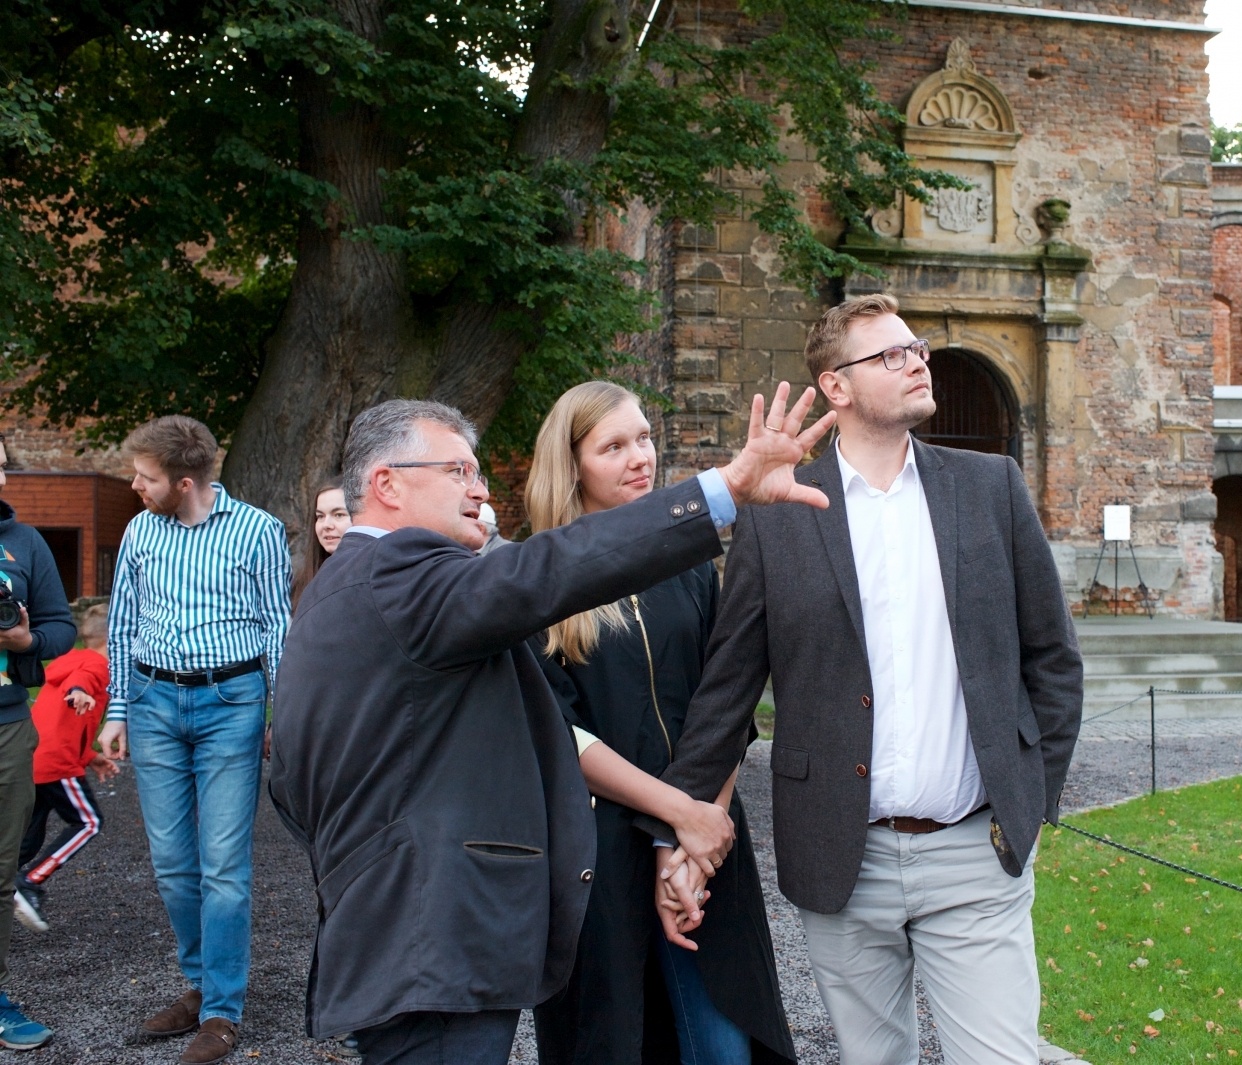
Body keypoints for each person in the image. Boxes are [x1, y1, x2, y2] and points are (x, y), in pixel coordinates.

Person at [269, 387, 832, 1065]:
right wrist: (727, 489)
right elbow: (544, 571)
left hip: (414, 938)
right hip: (433, 946)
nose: (477, 489)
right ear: (385, 484)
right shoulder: (399, 574)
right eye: (457, 472)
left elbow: (289, 781)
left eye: (476, 472)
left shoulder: (345, 587)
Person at [652, 294, 1085, 1065]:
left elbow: (1052, 661)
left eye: (916, 347)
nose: (918, 359)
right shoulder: (778, 513)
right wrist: (679, 830)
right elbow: (726, 690)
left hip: (971, 852)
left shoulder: (992, 489)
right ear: (838, 387)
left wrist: (1028, 797)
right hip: (840, 856)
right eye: (891, 353)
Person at [526, 382, 795, 1065]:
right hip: (601, 850)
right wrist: (678, 815)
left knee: (723, 1045)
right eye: (613, 445)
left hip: (705, 844)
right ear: (573, 463)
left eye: (644, 437)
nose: (639, 456)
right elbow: (561, 734)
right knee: (618, 1039)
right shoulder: (541, 581)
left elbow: (726, 701)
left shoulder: (689, 565)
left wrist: (698, 837)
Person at [97, 415, 293, 1065]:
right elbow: (122, 625)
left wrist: (277, 715)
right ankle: (201, 980)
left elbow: (278, 629)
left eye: (145, 477)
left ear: (183, 482)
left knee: (224, 868)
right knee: (175, 863)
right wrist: (117, 710)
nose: (135, 485)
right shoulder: (139, 531)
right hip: (152, 703)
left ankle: (221, 1011)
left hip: (230, 704)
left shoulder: (258, 532)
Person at [0, 431, 77, 1051]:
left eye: (1, 468)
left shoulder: (24, 544)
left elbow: (61, 627)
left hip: (4, 727)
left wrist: (28, 644)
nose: (0, 481)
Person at [15, 603, 120, 933]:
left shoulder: (71, 659)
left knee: (26, 842)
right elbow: (83, 680)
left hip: (32, 758)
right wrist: (79, 691)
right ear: (114, 639)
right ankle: (29, 882)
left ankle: (9, 890)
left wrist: (91, 757)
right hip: (55, 763)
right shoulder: (95, 665)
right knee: (89, 822)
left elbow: (57, 725)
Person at [290, 480, 351, 609]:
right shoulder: (303, 581)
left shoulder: (372, 576)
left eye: (338, 515)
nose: (326, 525)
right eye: (320, 516)